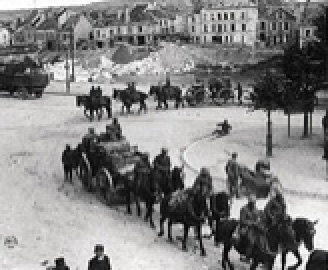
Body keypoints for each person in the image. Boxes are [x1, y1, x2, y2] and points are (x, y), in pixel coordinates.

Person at [239, 194, 261, 262]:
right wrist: (252, 223)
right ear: (249, 202)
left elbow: (257, 218)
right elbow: (242, 220)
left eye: (254, 202)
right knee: (251, 240)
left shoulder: (256, 209)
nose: (253, 204)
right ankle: (247, 256)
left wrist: (258, 222)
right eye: (251, 202)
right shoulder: (244, 209)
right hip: (245, 227)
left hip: (254, 228)